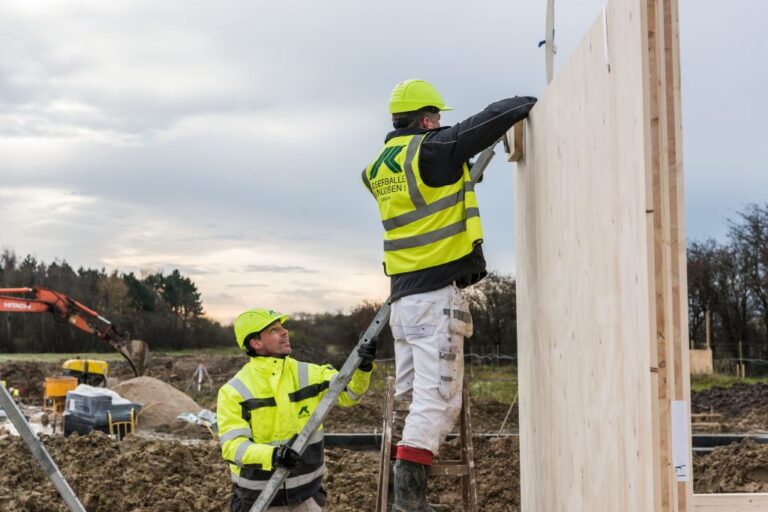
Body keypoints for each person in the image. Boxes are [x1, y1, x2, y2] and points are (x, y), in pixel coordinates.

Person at [361, 79, 536, 511]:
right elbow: (485, 123)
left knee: (410, 395)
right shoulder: (430, 150)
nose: (441, 124)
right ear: (425, 118)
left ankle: (400, 493)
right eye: (436, 117)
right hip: (434, 297)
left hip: (403, 301)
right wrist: (531, 102)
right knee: (437, 402)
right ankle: (409, 501)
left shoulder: (379, 168)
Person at [217, 308, 377, 512]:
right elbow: (233, 447)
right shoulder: (234, 391)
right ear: (256, 343)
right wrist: (273, 456)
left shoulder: (309, 373)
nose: (285, 332)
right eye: (274, 330)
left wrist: (362, 367)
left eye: (283, 327)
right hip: (260, 501)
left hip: (306, 499)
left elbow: (350, 393)